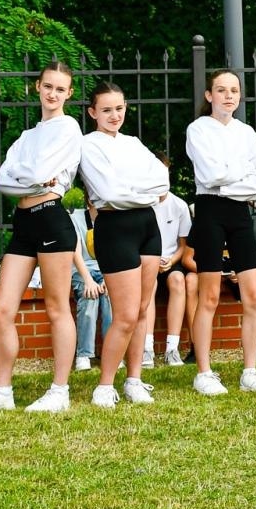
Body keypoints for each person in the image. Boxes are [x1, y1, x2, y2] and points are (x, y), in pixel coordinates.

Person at [0, 61, 83, 414]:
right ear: (37, 87)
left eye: (60, 89)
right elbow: (2, 181)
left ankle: (59, 391)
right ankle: (3, 390)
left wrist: (27, 176)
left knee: (56, 307)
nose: (52, 94)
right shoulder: (27, 137)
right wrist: (31, 177)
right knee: (2, 309)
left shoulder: (68, 128)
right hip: (23, 222)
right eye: (47, 86)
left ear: (69, 94)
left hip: (51, 220)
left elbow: (33, 174)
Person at [79, 82, 170, 408]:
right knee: (126, 314)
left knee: (143, 308)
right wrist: (139, 187)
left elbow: (163, 183)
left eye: (118, 108)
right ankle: (104, 385)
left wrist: (132, 187)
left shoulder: (133, 143)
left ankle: (134, 379)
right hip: (114, 228)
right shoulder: (87, 145)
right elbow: (111, 193)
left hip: (147, 225)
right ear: (93, 112)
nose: (114, 115)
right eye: (106, 110)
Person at [184, 69, 256, 394]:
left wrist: (227, 180)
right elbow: (208, 174)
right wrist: (237, 176)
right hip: (210, 211)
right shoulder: (197, 130)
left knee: (253, 294)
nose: (228, 96)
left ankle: (250, 371)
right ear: (209, 95)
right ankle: (204, 372)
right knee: (208, 295)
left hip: (238, 213)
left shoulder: (246, 132)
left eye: (233, 90)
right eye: (221, 90)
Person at [144, 155, 193, 369]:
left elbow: (183, 246)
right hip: (147, 259)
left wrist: (171, 261)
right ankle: (146, 348)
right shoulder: (143, 204)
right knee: (149, 285)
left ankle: (171, 349)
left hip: (171, 260)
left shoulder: (180, 206)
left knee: (178, 281)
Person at [69, 195, 111, 371]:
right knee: (90, 296)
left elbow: (115, 251)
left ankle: (111, 354)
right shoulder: (75, 218)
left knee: (111, 298)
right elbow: (75, 252)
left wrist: (109, 280)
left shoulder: (112, 219)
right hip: (82, 271)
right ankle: (84, 355)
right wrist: (88, 280)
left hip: (107, 270)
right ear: (90, 201)